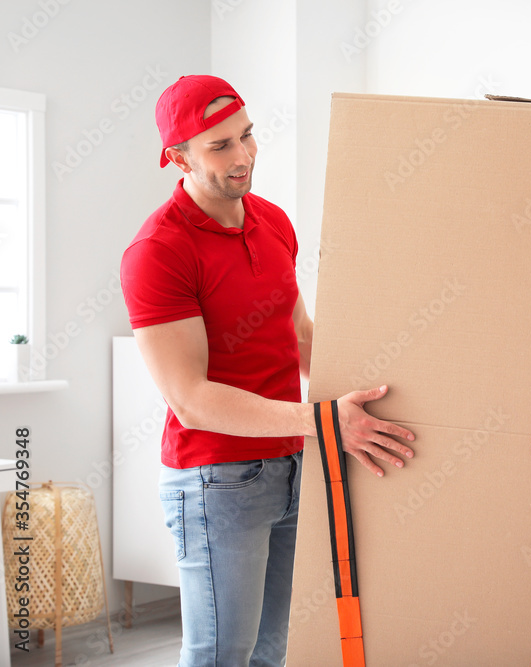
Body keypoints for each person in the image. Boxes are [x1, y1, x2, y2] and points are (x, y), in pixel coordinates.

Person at [120, 74, 416, 667]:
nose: (244, 156)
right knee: (220, 655)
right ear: (177, 157)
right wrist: (325, 421)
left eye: (247, 136)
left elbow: (301, 335)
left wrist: (378, 392)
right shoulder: (158, 250)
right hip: (216, 482)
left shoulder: (274, 221)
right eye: (221, 145)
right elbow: (191, 399)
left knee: (271, 651)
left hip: (292, 465)